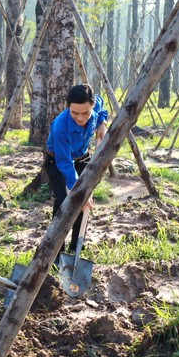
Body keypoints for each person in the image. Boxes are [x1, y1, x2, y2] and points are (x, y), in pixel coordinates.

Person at [44, 84, 108, 257]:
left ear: (92, 105)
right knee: (64, 203)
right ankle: (56, 251)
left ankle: (76, 247)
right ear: (68, 107)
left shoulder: (95, 106)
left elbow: (102, 105)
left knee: (83, 204)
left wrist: (102, 122)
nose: (81, 118)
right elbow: (65, 164)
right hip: (58, 161)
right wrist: (79, 191)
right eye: (75, 113)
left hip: (83, 158)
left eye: (86, 113)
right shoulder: (60, 127)